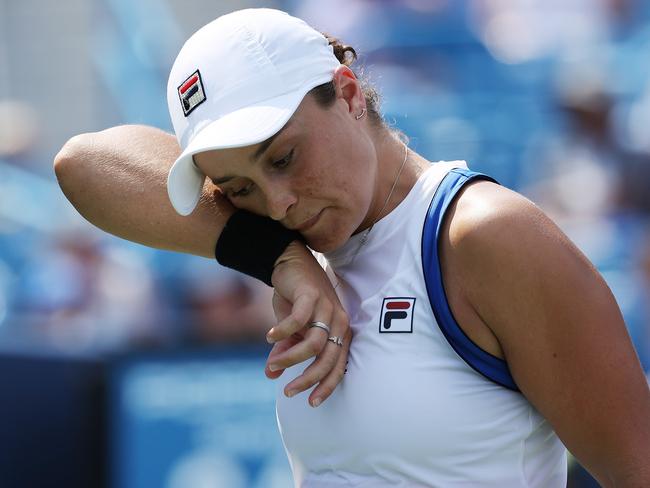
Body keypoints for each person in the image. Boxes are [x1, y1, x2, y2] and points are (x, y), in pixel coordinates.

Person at [53, 8, 650, 487]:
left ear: (348, 93)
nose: (277, 203)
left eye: (284, 158)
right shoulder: (292, 241)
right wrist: (279, 259)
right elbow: (83, 164)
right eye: (239, 189)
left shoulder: (482, 234)